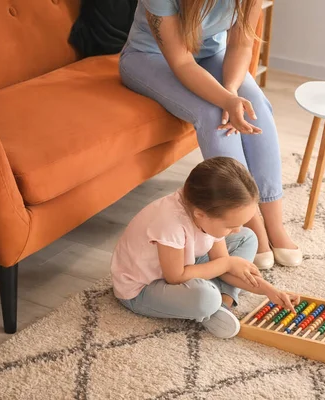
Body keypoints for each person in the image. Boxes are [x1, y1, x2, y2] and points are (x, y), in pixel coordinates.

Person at [119, 0, 302, 269]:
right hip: (150, 58)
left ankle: (275, 227)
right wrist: (225, 102)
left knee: (256, 105)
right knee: (213, 114)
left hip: (208, 57)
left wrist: (231, 92)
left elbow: (241, 44)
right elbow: (181, 62)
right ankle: (253, 229)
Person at [111, 157, 300, 338]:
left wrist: (270, 291)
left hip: (186, 262)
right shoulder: (170, 223)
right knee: (205, 298)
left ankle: (223, 304)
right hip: (143, 288)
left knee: (247, 238)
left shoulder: (207, 210)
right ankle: (213, 304)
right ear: (201, 214)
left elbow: (224, 264)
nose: (235, 230)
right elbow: (175, 277)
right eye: (230, 226)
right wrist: (227, 264)